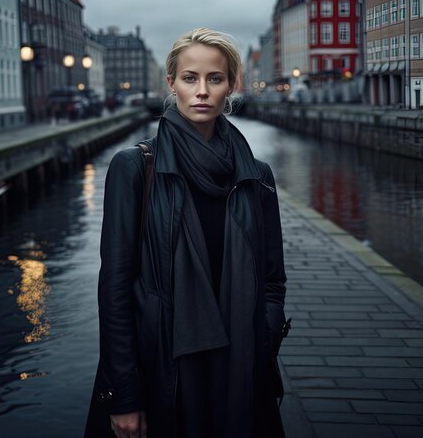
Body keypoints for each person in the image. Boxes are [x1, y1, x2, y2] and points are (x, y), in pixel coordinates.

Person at [85, 28, 289, 438]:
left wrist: (262, 338)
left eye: (214, 79)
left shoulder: (257, 176)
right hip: (164, 368)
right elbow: (116, 290)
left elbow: (272, 279)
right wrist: (123, 394)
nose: (202, 91)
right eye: (189, 78)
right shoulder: (135, 167)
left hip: (241, 368)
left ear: (231, 84)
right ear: (171, 84)